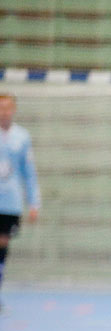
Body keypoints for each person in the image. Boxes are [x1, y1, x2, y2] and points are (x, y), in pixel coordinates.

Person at [0, 93, 42, 311]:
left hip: (10, 202)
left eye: (7, 108)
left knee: (2, 244)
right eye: (0, 108)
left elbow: (29, 173)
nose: (4, 112)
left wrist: (34, 203)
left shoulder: (22, 137)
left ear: (13, 110)